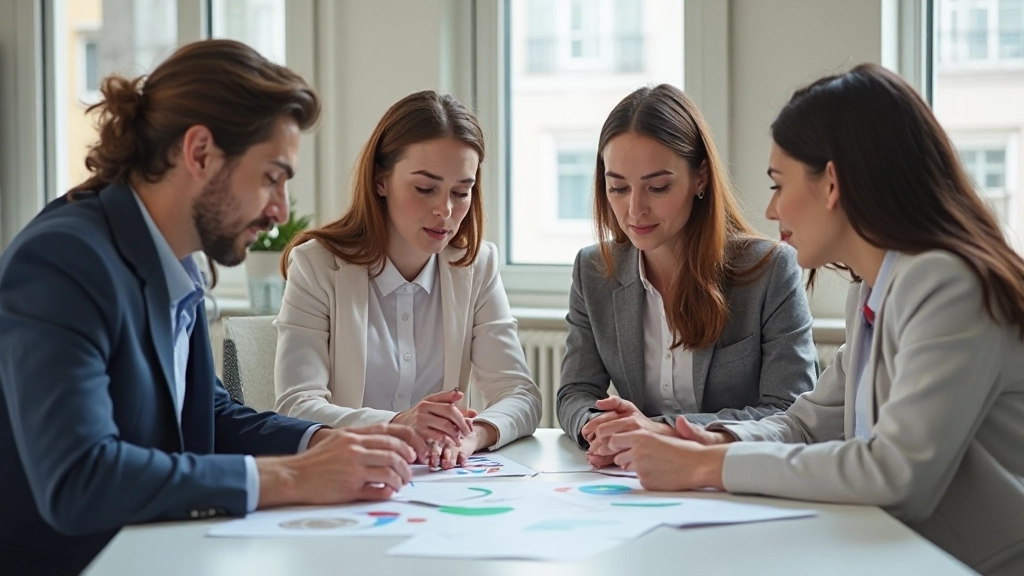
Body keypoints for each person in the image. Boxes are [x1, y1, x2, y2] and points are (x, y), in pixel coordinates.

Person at [0, 40, 426, 576]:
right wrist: (295, 478)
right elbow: (80, 478)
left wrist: (326, 442)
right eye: (272, 177)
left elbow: (207, 414)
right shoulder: (64, 261)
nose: (280, 211)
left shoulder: (175, 258)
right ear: (199, 152)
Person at [605, 64, 1024, 575]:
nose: (772, 208)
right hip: (903, 552)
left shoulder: (947, 282)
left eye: (779, 184)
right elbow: (808, 423)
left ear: (831, 183)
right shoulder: (874, 287)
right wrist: (714, 441)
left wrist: (706, 465)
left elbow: (896, 474)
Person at [274, 90, 541, 470]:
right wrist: (398, 425)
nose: (445, 210)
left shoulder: (476, 265)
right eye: (425, 188)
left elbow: (520, 394)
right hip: (348, 477)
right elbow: (296, 406)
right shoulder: (316, 265)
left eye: (461, 192)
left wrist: (475, 433)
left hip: (439, 486)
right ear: (381, 180)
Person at [557, 84, 818, 467]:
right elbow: (575, 391)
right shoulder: (593, 270)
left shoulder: (770, 270)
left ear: (700, 178)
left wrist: (659, 430)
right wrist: (599, 427)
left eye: (658, 187)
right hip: (636, 480)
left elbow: (788, 412)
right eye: (618, 187)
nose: (634, 210)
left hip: (738, 479)